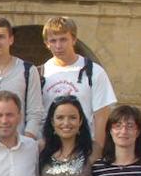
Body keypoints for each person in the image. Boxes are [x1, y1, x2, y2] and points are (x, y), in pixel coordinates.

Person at [39, 16, 118, 155]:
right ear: (46, 43)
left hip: (83, 148)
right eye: (53, 40)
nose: (58, 46)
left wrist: (96, 153)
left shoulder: (94, 72)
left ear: (74, 39)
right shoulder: (39, 74)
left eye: (63, 39)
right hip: (50, 149)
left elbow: (101, 116)